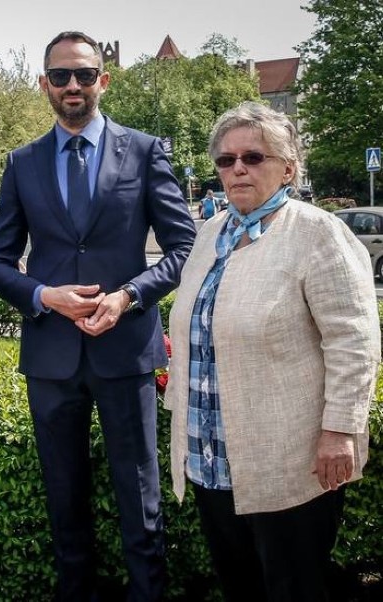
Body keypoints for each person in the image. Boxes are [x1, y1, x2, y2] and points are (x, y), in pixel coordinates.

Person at [0, 31, 196, 601]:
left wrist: (128, 295)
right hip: (51, 356)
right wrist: (44, 296)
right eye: (60, 76)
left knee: (140, 495)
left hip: (125, 350)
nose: (72, 85)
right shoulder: (21, 162)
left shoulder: (146, 150)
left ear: (103, 79)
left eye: (82, 74)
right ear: (45, 84)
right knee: (64, 498)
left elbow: (182, 248)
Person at [165, 101, 380, 601]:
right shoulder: (210, 233)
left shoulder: (316, 231)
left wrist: (340, 429)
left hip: (291, 458)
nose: (237, 168)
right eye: (225, 159)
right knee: (238, 586)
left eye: (253, 157)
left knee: (293, 586)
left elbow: (354, 340)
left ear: (288, 167)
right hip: (210, 455)